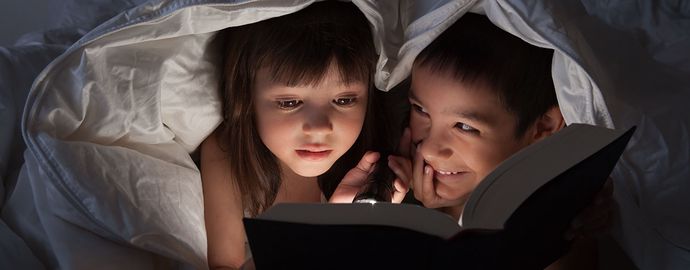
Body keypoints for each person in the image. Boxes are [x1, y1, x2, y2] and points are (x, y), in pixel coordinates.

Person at [387, 13, 612, 269]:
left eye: (464, 126)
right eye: (421, 110)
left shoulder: (564, 218)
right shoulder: (390, 179)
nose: (428, 148)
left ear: (542, 126)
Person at [200, 2, 405, 269]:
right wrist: (332, 224)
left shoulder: (375, 165)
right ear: (247, 97)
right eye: (289, 103)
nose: (319, 128)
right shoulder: (228, 154)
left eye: (344, 100)